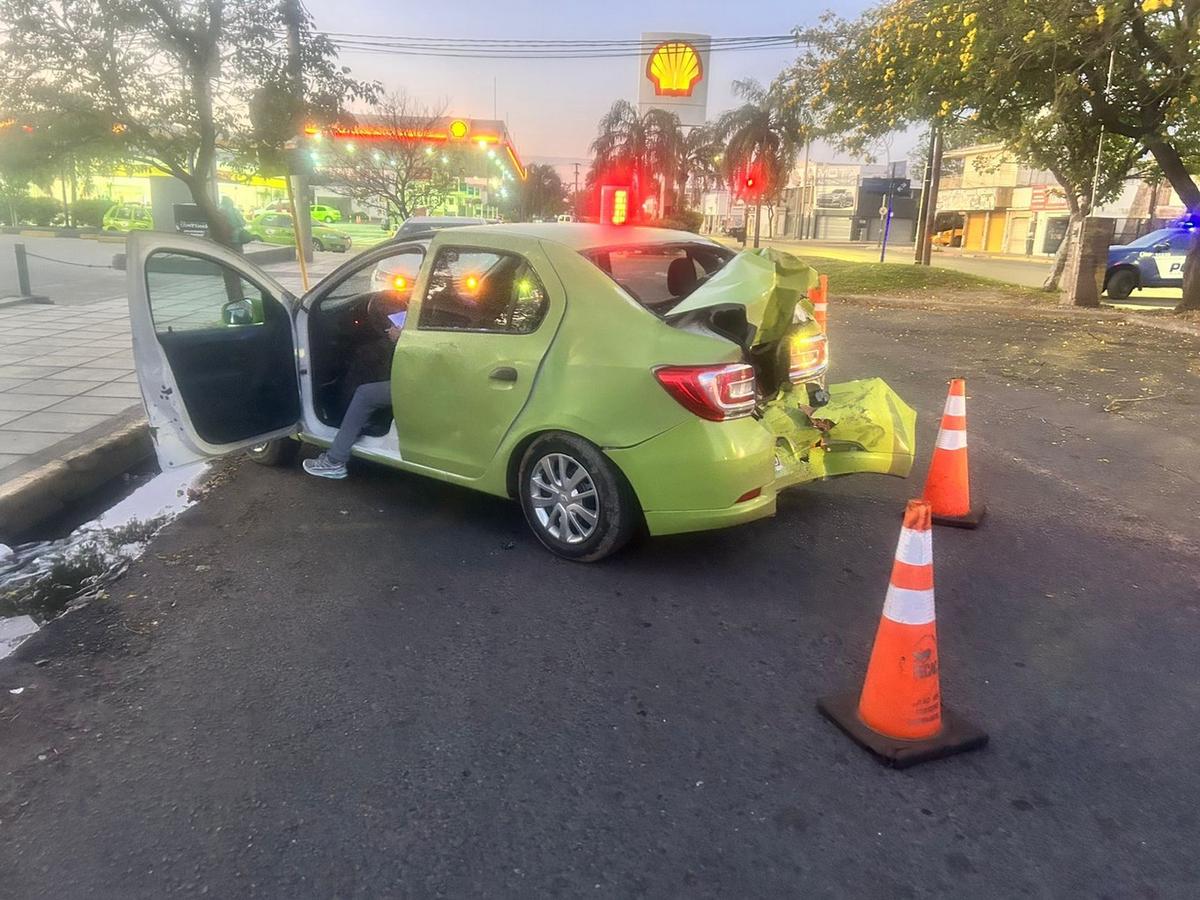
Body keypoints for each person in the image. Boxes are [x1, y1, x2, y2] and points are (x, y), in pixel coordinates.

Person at [303, 320, 404, 480]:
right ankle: (364, 422)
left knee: (365, 394)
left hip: (420, 384)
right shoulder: (450, 307)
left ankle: (335, 461)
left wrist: (401, 338)